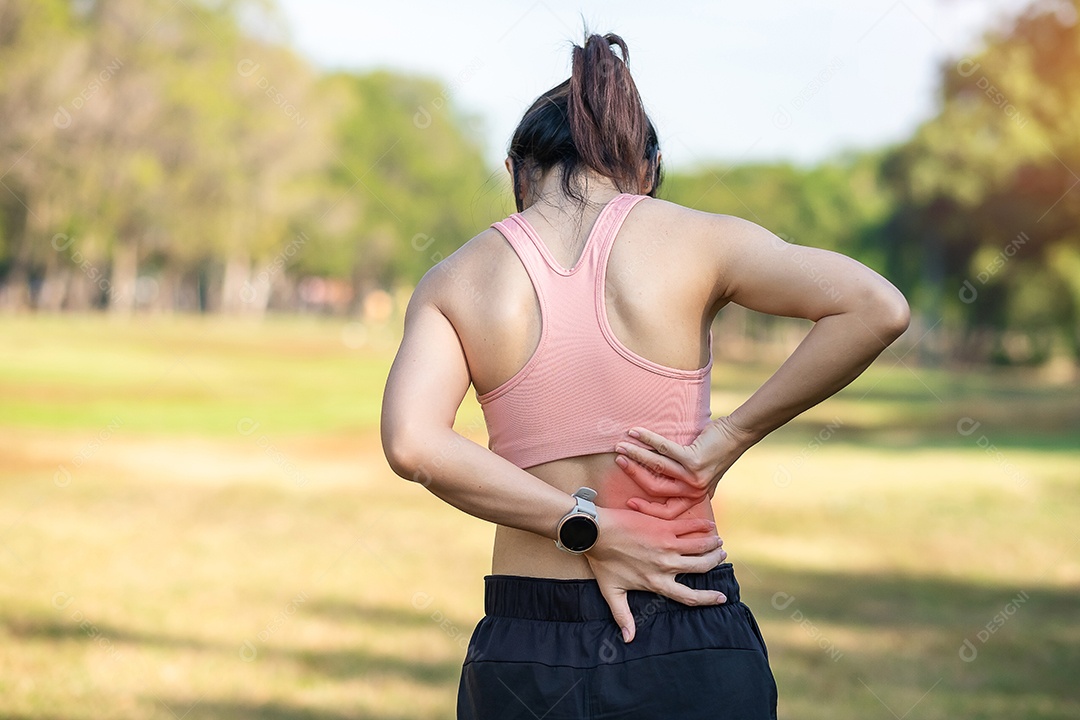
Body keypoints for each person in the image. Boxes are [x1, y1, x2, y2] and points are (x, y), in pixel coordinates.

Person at [381, 31, 909, 720]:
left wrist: (584, 529)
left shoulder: (456, 277)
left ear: (516, 168)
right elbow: (877, 306)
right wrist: (730, 436)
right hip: (685, 620)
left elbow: (414, 445)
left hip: (524, 649)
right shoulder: (701, 239)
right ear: (650, 168)